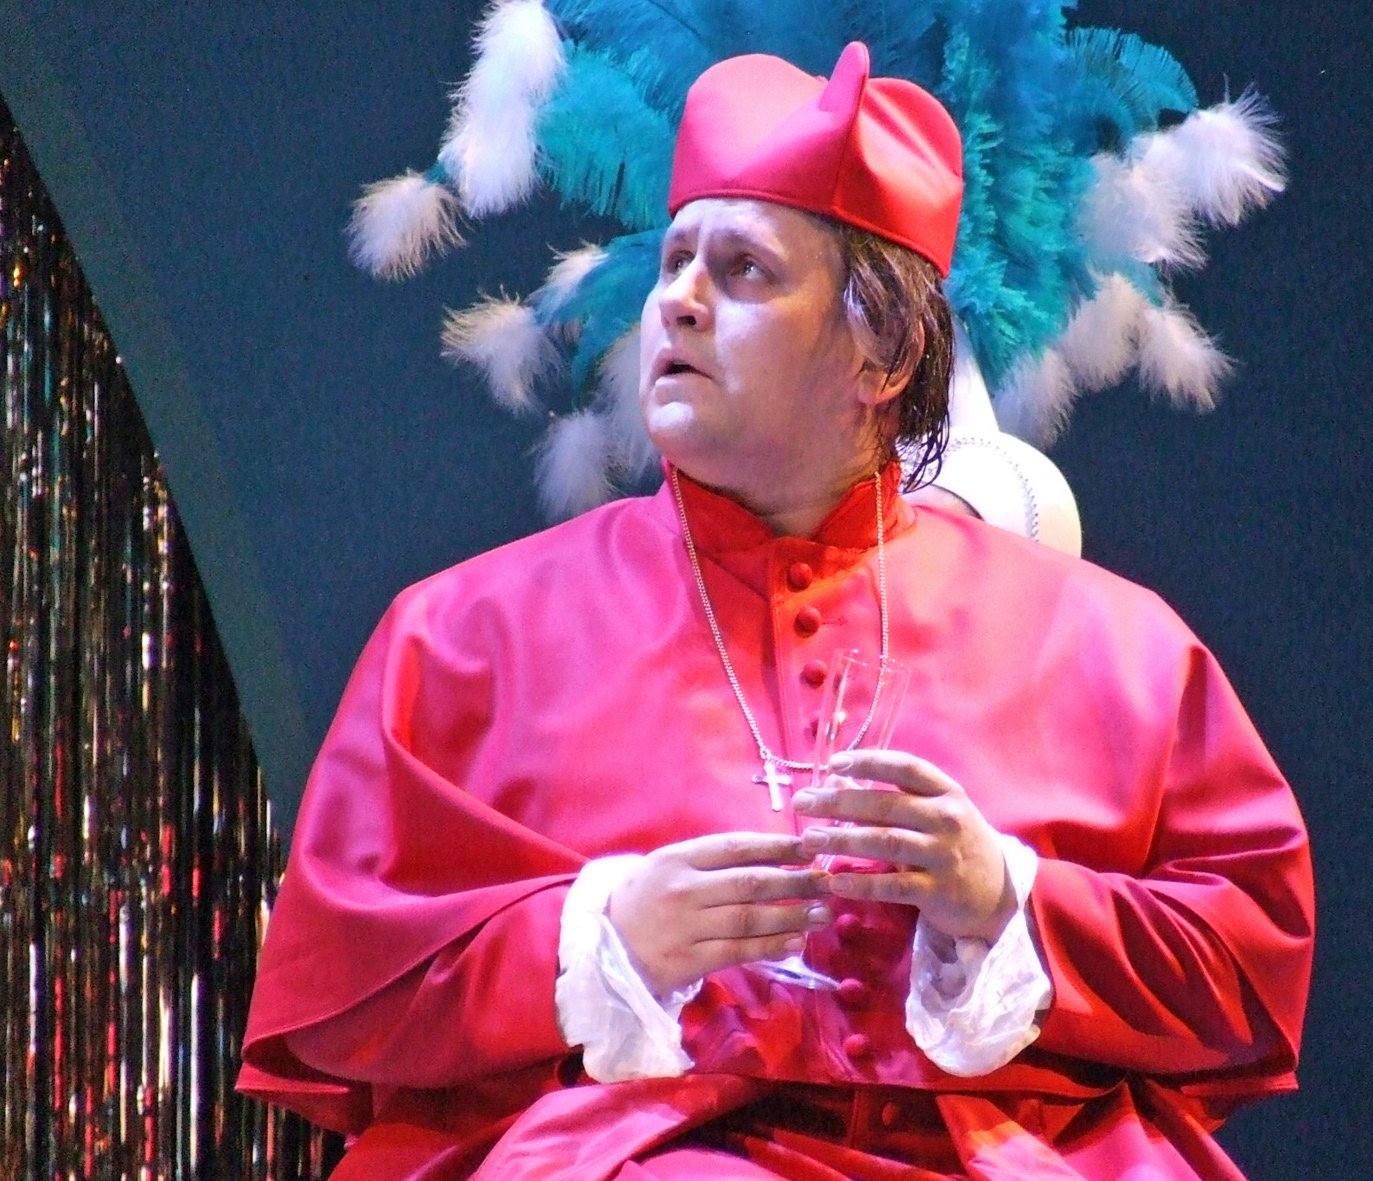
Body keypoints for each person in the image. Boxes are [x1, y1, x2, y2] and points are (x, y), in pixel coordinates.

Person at [241, 43, 1313, 1181]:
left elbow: (1250, 964)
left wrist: (1006, 898)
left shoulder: (1111, 646)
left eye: (744, 269)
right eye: (673, 263)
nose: (679, 302)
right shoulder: (462, 636)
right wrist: (597, 938)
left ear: (884, 350)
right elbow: (338, 992)